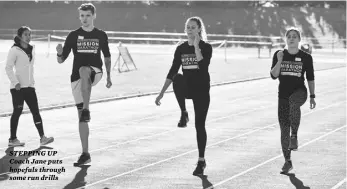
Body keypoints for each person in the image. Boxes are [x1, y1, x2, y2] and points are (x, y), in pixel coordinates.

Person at [56, 3, 112, 166]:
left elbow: (107, 57)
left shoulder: (101, 35)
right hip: (76, 78)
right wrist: (59, 52)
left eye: (87, 15)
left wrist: (108, 77)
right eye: (82, 15)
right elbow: (61, 60)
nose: (84, 18)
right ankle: (85, 153)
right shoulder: (73, 35)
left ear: (94, 16)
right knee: (81, 118)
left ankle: (87, 108)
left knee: (84, 69)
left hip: (95, 72)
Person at [155, 16, 212, 176]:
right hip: (187, 88)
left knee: (199, 126)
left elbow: (202, 65)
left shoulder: (207, 47)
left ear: (199, 29)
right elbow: (172, 71)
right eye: (188, 27)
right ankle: (183, 113)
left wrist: (196, 46)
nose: (190, 30)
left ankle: (201, 160)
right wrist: (161, 94)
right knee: (177, 78)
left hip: (201, 90)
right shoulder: (180, 49)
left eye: (193, 27)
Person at [270, 27, 316, 174]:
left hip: (300, 93)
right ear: (286, 39)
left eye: (294, 36)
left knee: (293, 103)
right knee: (284, 129)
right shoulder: (279, 54)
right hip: (282, 96)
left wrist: (312, 96)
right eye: (289, 36)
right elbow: (273, 75)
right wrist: (279, 61)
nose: (291, 38)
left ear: (299, 39)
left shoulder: (306, 57)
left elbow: (310, 78)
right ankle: (287, 161)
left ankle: (294, 135)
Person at [5, 26, 54, 147]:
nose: (28, 37)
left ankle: (42, 138)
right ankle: (12, 139)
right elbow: (8, 67)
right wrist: (15, 82)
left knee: (36, 111)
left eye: (30, 34)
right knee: (17, 111)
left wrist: (31, 83)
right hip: (17, 88)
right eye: (26, 34)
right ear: (20, 36)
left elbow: (30, 69)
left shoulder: (32, 49)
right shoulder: (14, 50)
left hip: (30, 87)